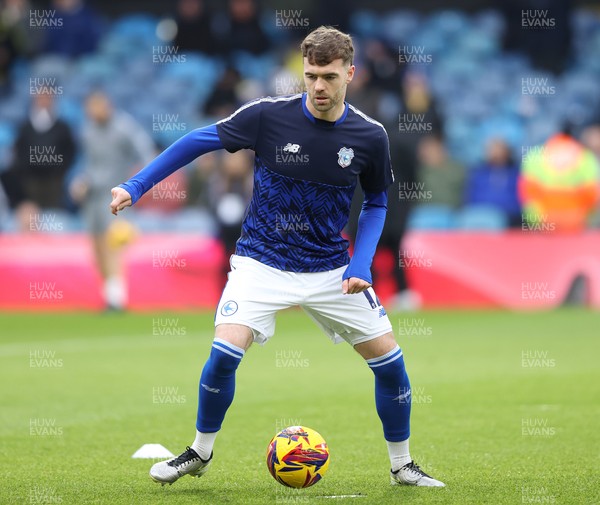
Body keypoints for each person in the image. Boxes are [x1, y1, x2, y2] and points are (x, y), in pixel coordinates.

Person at [110, 26, 445, 488]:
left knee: (391, 363)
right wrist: (135, 186)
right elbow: (197, 141)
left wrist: (361, 263)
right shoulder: (268, 116)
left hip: (330, 269)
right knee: (223, 355)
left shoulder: (370, 136)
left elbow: (377, 202)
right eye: (310, 76)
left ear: (351, 72)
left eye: (329, 76)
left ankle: (402, 465)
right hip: (260, 262)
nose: (319, 87)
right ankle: (200, 452)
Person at [70, 91, 155, 311]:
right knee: (97, 246)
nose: (93, 112)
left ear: (107, 106)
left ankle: (117, 298)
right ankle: (111, 295)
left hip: (118, 194)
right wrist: (81, 182)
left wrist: (138, 185)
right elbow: (88, 164)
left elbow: (146, 154)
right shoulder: (87, 131)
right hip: (92, 196)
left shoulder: (124, 127)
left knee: (113, 243)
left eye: (97, 106)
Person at [464, 138, 521, 226]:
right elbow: (471, 197)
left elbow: (517, 202)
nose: (495, 153)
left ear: (507, 151)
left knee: (493, 221)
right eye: (492, 149)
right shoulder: (479, 173)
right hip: (479, 212)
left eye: (498, 149)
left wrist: (499, 209)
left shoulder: (515, 174)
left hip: (504, 216)